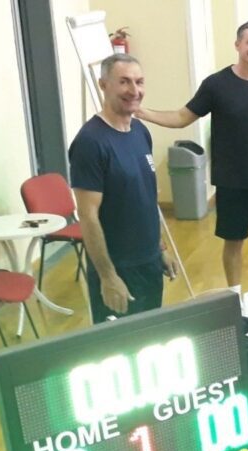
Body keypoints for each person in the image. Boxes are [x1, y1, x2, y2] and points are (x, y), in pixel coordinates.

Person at [137, 20, 248, 295]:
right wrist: (143, 113)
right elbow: (181, 117)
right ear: (237, 45)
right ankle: (234, 298)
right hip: (231, 181)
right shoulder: (216, 85)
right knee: (233, 241)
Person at [70, 54, 177, 324]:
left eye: (139, 82)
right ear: (103, 85)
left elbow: (146, 198)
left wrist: (159, 248)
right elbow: (88, 216)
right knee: (121, 345)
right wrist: (108, 277)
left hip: (149, 264)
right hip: (119, 269)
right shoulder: (90, 143)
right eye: (124, 82)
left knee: (151, 337)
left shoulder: (140, 131)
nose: (134, 90)